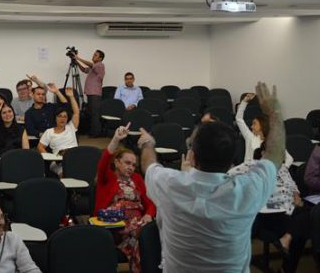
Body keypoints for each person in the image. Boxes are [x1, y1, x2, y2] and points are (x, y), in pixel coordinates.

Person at [138, 82, 285, 272]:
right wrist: (275, 113)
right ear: (231, 162)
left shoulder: (169, 183)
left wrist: (148, 143)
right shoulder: (248, 189)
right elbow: (275, 154)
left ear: (192, 157)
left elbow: (149, 165)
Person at [229, 143, 309, 273]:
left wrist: (296, 195)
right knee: (300, 229)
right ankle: (286, 260)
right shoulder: (252, 165)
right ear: (263, 153)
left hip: (289, 207)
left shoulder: (283, 168)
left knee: (306, 216)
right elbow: (229, 176)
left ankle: (286, 244)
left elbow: (292, 185)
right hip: (268, 209)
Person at [95, 124, 156, 273]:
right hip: (116, 225)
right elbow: (104, 161)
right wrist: (116, 139)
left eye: (134, 165)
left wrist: (149, 214)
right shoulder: (107, 177)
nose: (131, 168)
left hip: (138, 223)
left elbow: (150, 202)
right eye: (127, 163)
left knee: (150, 234)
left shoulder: (137, 178)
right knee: (144, 238)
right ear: (117, 162)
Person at [237, 93, 293, 166]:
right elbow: (239, 119)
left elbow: (289, 159)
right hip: (248, 171)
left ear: (262, 125)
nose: (251, 126)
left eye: (254, 124)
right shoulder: (250, 137)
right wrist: (245, 101)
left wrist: (283, 168)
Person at [37, 87, 80, 176]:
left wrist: (71, 97)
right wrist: (51, 158)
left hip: (74, 157)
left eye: (65, 117)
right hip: (59, 161)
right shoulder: (49, 132)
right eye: (60, 116)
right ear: (55, 118)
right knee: (65, 173)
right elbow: (40, 147)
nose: (62, 119)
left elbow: (76, 113)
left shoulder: (71, 126)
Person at [74, 49, 105, 137]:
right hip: (90, 93)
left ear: (100, 58)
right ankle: (92, 131)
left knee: (95, 114)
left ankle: (95, 133)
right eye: (93, 54)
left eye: (95, 55)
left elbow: (90, 64)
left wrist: (78, 58)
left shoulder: (100, 65)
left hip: (95, 94)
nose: (93, 56)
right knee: (91, 113)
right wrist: (76, 62)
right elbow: (84, 70)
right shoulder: (93, 67)